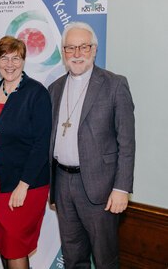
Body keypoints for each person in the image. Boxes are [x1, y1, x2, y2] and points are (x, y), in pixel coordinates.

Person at [49, 21, 135, 268]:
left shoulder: (115, 85)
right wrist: (53, 188)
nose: (76, 54)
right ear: (63, 53)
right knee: (73, 257)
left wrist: (121, 188)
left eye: (83, 47)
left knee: (105, 258)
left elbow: (127, 142)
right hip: (63, 185)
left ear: (94, 50)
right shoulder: (54, 89)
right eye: (70, 48)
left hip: (102, 187)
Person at [0, 36, 52, 269]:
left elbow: (42, 144)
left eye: (16, 58)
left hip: (23, 186)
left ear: (24, 61)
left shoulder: (36, 93)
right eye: (4, 58)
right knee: (3, 244)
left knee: (15, 246)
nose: (10, 64)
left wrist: (23, 184)